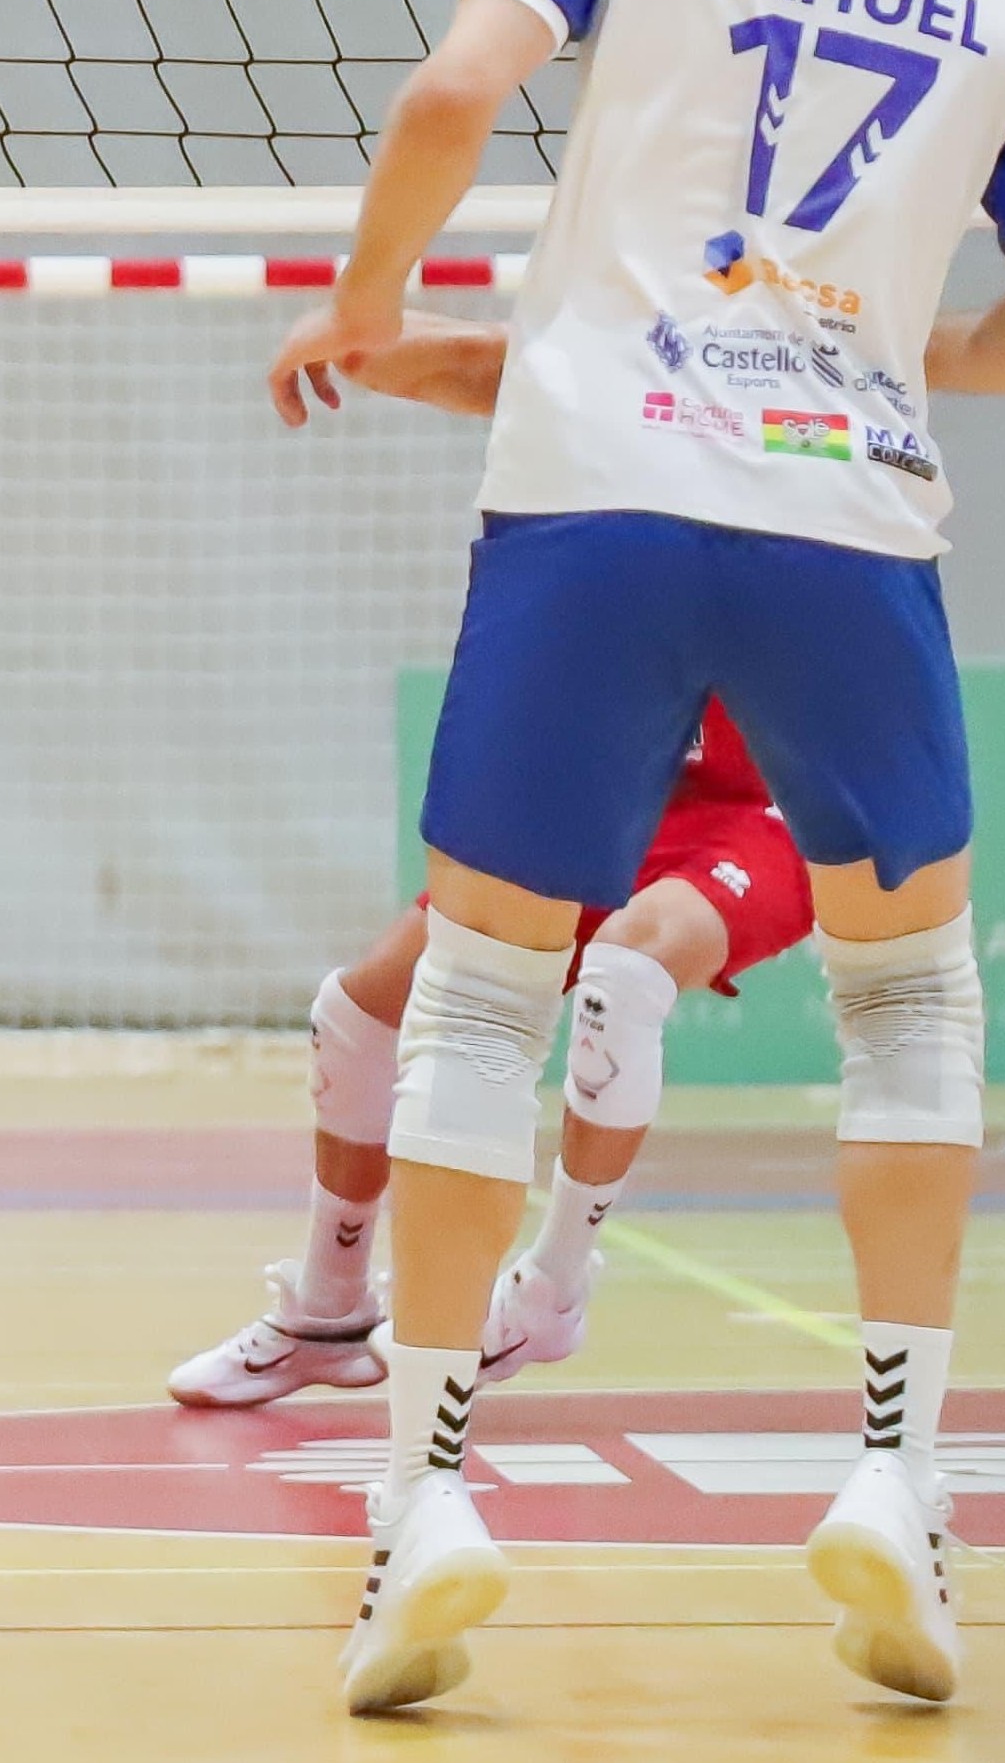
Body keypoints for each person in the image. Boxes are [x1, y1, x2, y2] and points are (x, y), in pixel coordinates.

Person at [269, 0, 1005, 1716]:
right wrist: (883, 362)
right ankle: (895, 1474)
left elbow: (448, 96)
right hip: (843, 513)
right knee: (905, 1000)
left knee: (480, 997)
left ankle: (421, 1500)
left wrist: (362, 304)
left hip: (593, 502)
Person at [176, 313, 815, 1406]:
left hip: (765, 804)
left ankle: (553, 1288)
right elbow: (491, 363)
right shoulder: (609, 379)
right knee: (359, 1013)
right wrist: (353, 331)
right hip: (609, 795)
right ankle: (328, 1307)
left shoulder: (797, 416)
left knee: (624, 976)